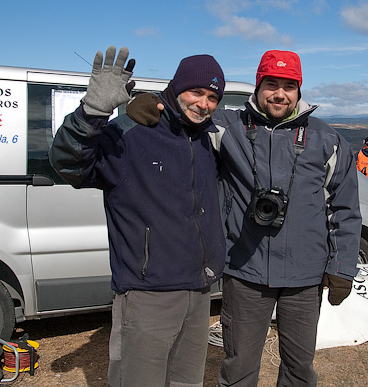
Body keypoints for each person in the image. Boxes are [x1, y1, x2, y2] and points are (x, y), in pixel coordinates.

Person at [127, 49, 361, 386]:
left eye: (289, 86)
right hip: (245, 271)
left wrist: (340, 269)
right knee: (238, 366)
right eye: (271, 83)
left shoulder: (328, 140)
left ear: (298, 91)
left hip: (305, 276)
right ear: (258, 86)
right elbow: (188, 111)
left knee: (299, 368)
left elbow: (345, 209)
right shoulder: (227, 126)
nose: (279, 93)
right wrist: (153, 106)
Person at [49, 46, 227, 387]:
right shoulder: (131, 132)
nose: (204, 103)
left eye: (213, 97)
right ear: (176, 88)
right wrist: (92, 112)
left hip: (200, 290)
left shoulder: (207, 140)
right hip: (148, 294)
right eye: (197, 92)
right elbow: (69, 166)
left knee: (187, 383)